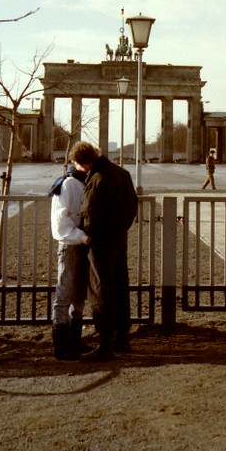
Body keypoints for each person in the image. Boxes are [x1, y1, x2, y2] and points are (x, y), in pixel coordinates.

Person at [75, 141, 138, 361]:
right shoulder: (123, 173)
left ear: (83, 162)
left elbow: (89, 210)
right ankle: (123, 337)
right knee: (120, 286)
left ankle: (105, 342)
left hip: (101, 241)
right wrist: (121, 229)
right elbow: (133, 205)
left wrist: (88, 234)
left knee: (100, 289)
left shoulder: (97, 177)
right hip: (119, 237)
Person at [50, 151, 91, 361]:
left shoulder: (85, 182)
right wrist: (81, 237)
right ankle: (60, 344)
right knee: (64, 292)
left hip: (84, 244)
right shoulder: (66, 184)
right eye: (84, 162)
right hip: (70, 244)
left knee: (79, 295)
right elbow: (60, 224)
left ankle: (75, 338)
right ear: (76, 162)